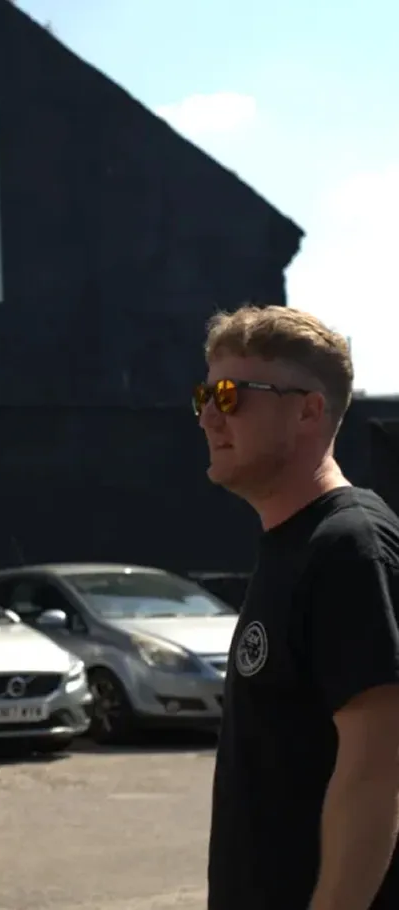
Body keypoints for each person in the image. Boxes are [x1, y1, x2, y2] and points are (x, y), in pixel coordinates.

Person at [196, 304, 399, 909]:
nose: (209, 415)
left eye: (231, 395)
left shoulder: (349, 546)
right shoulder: (295, 545)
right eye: (204, 394)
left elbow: (378, 769)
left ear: (310, 408)